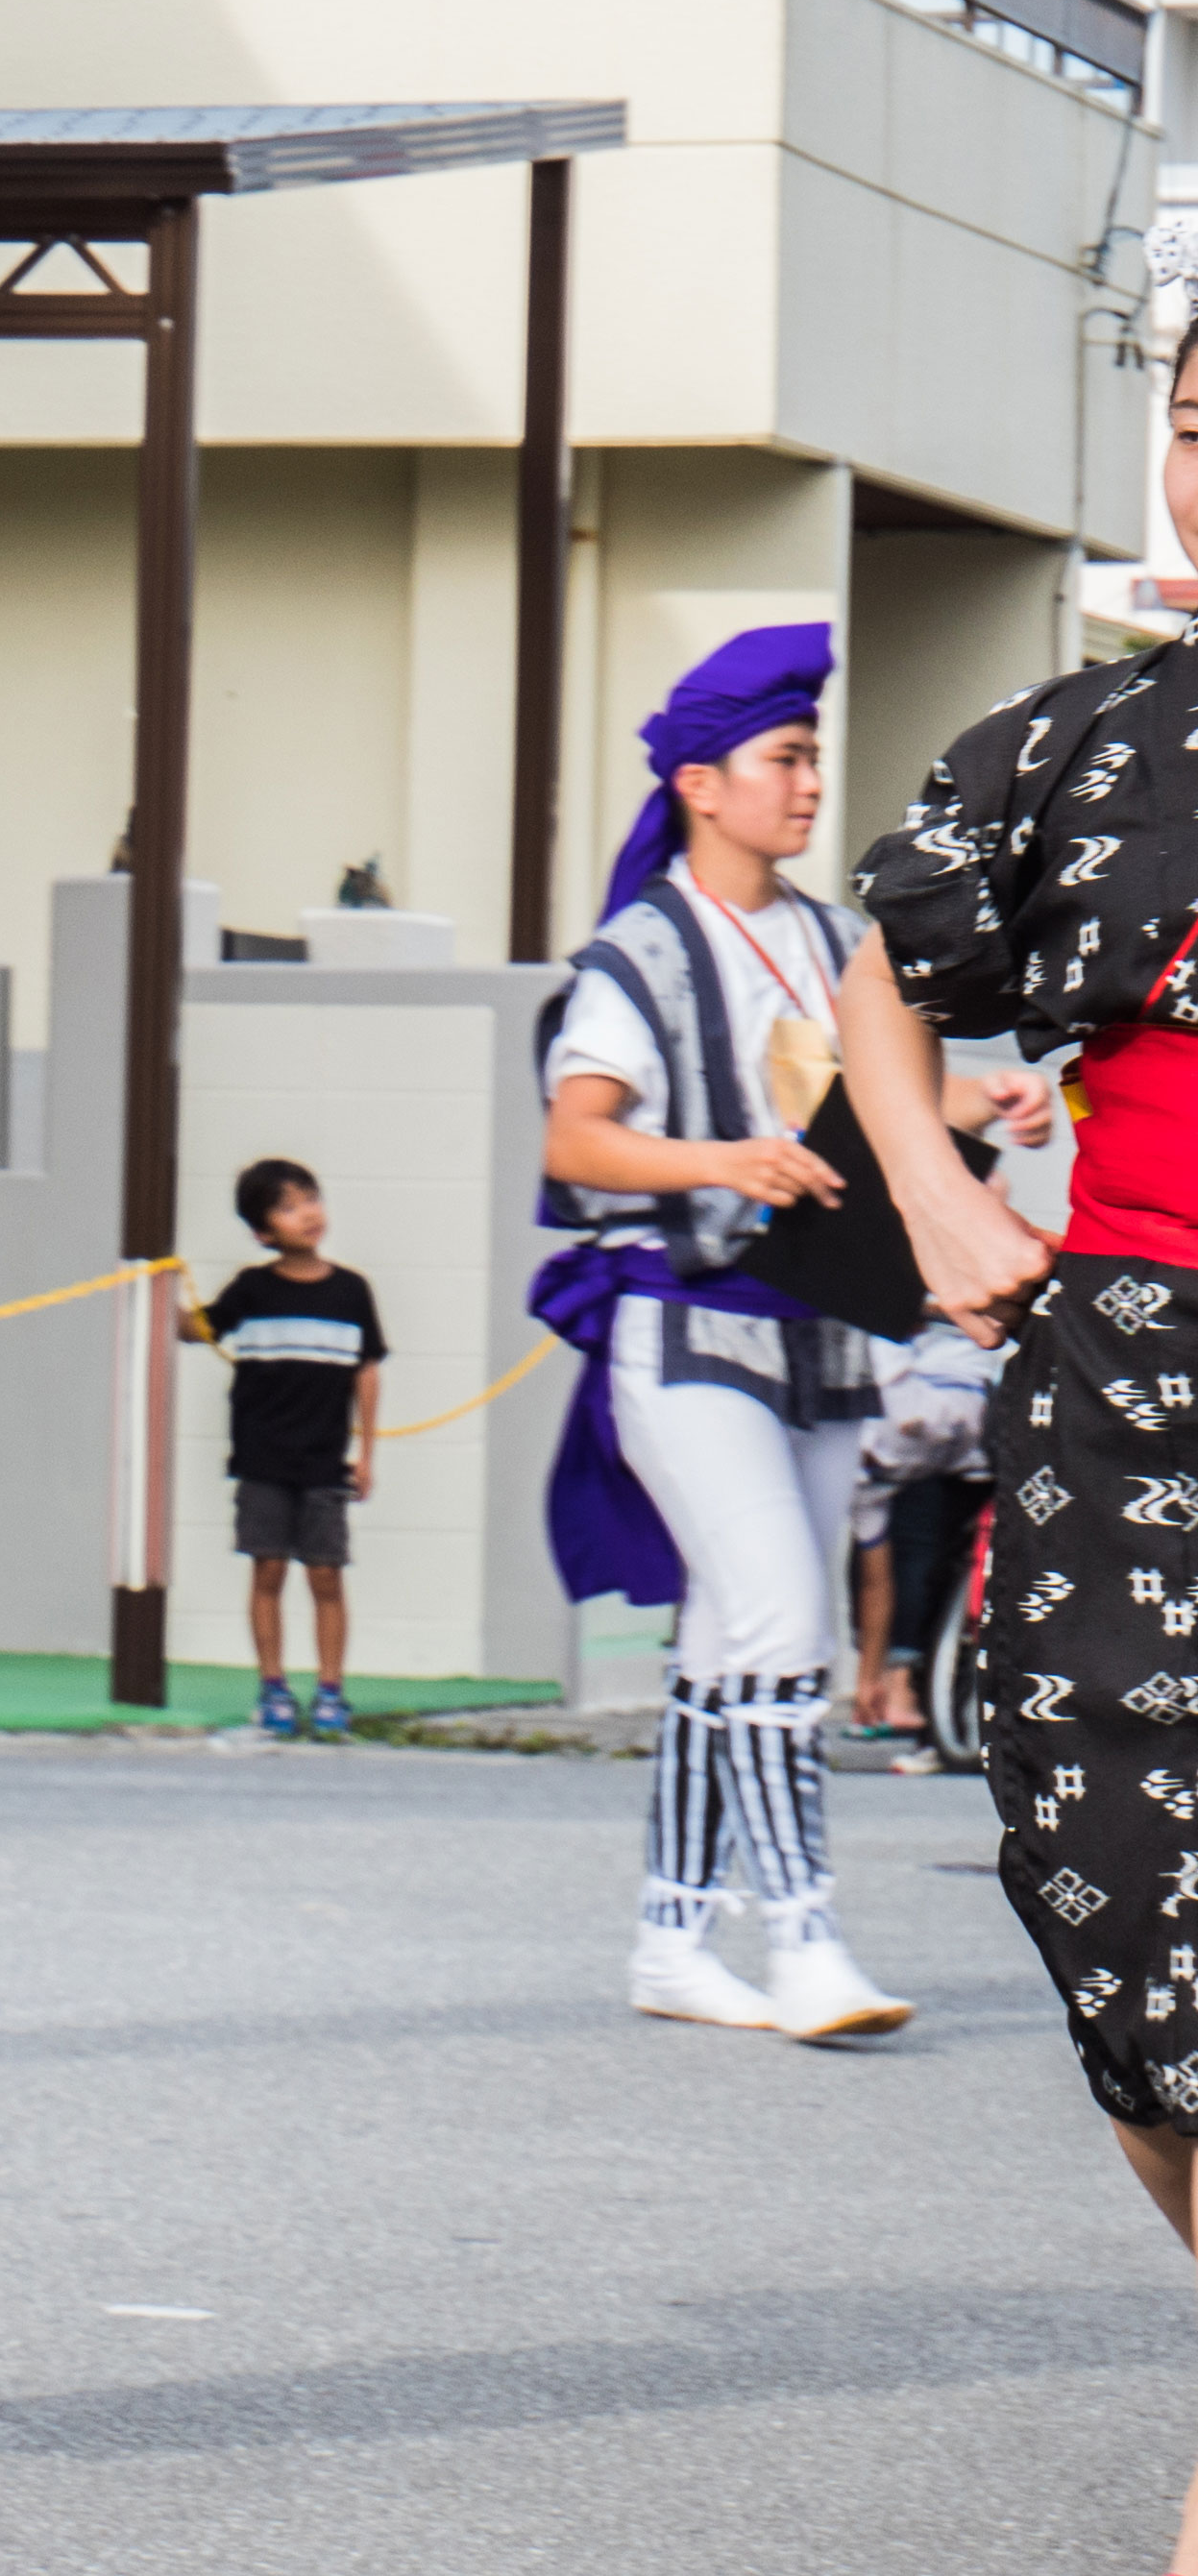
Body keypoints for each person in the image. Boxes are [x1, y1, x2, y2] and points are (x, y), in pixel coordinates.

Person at [844, 264, 1198, 2576]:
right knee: (1111, 1903)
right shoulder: (1075, 745)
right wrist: (946, 1193)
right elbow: (884, 949)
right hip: (1129, 1362)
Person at [531, 625, 1039, 2044]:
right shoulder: (639, 947)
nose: (811, 783)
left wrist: (982, 1102)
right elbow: (578, 1140)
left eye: (815, 757)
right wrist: (726, 1162)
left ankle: (675, 1938)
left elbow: (871, 1106)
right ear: (703, 782)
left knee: (728, 1642)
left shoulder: (830, 940)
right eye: (786, 758)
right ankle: (801, 1932)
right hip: (683, 1331)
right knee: (780, 1625)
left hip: (822, 1334)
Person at [201, 1155, 384, 1742]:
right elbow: (201, 1325)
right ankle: (272, 1687)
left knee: (326, 1576)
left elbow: (368, 1374)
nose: (305, 1214)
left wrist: (367, 1455)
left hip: (324, 1461)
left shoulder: (352, 1291)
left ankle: (331, 1691)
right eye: (286, 1207)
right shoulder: (250, 1289)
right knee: (269, 1569)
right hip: (262, 1461)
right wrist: (156, 1296)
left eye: (310, 1199)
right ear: (262, 1231)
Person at [842, 1320, 994, 1754]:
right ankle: (903, 1682)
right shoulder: (861, 1477)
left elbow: (875, 1583)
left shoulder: (860, 1475)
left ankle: (901, 1682)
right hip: (976, 1401)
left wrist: (868, 1678)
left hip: (929, 1412)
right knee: (922, 1549)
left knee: (907, 1550)